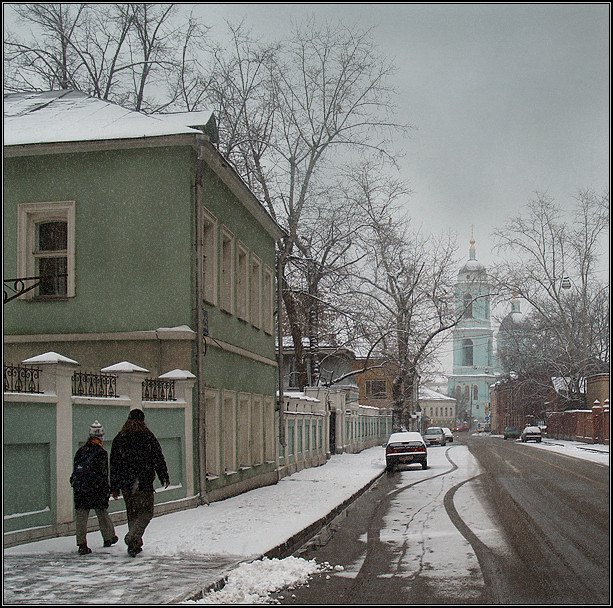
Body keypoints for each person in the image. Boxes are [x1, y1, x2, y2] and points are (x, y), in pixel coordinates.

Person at [110, 408, 170, 557]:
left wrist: (115, 486)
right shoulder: (147, 437)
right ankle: (132, 538)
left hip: (126, 483)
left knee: (133, 514)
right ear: (143, 421)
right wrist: (163, 476)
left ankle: (134, 546)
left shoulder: (120, 438)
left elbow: (114, 463)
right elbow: (158, 458)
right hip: (143, 481)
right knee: (146, 512)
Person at [70, 420, 118, 555]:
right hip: (96, 488)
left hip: (80, 488)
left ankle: (82, 543)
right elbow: (103, 474)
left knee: (81, 515)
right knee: (102, 512)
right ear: (101, 437)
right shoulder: (101, 453)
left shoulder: (81, 451)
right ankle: (108, 537)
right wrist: (106, 489)